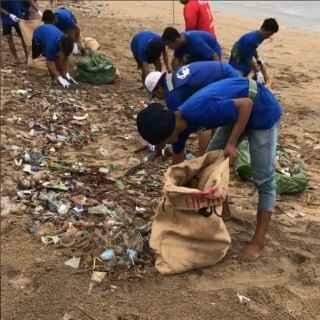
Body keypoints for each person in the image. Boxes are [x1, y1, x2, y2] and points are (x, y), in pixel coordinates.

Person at [137, 77, 282, 259]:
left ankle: (258, 241)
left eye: (163, 142)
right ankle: (224, 210)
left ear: (169, 133)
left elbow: (246, 105)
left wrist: (232, 143)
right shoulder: (178, 127)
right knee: (210, 165)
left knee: (264, 178)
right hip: (236, 112)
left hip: (261, 109)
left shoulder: (199, 112)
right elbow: (180, 166)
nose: (165, 145)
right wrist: (175, 193)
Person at [145, 61, 239, 155]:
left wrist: (181, 150)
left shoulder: (172, 96)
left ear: (159, 88)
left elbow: (197, 123)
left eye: (155, 95)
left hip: (227, 79)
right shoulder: (172, 79)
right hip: (224, 71)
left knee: (205, 122)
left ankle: (205, 155)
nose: (158, 98)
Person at [32, 13, 76, 88]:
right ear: (60, 46)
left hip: (50, 32)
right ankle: (54, 78)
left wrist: (66, 73)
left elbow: (65, 58)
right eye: (62, 52)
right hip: (38, 36)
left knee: (58, 58)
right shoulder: (51, 45)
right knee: (47, 57)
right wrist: (59, 77)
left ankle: (60, 74)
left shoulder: (64, 40)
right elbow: (49, 62)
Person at [229, 18, 279, 83]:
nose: (269, 36)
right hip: (237, 64)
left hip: (244, 60)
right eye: (269, 34)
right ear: (264, 29)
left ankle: (266, 81)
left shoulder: (260, 36)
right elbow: (248, 59)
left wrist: (257, 57)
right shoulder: (251, 40)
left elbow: (253, 49)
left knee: (260, 66)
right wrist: (257, 71)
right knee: (241, 81)